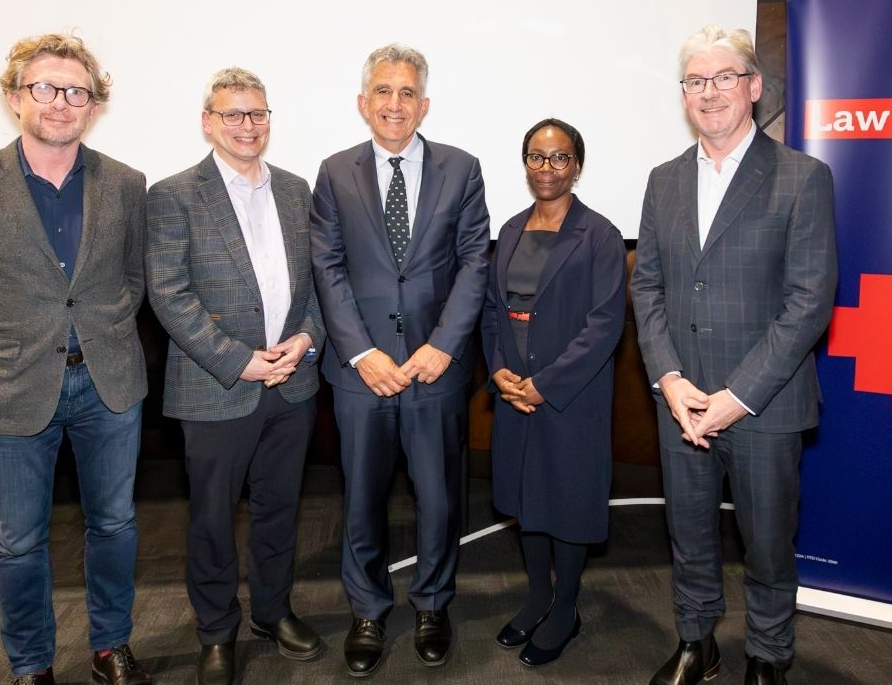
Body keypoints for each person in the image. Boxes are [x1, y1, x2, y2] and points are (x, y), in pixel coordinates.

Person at [0, 34, 152, 685]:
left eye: (76, 91)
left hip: (109, 385)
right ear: (14, 98)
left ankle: (111, 646)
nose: (61, 102)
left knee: (114, 525)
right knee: (19, 542)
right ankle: (31, 665)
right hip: (11, 391)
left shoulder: (127, 184)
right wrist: (3, 354)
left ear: (94, 105)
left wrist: (97, 333)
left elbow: (131, 282)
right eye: (45, 88)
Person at [632, 25, 838, 685]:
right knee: (688, 537)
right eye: (696, 81)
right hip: (682, 403)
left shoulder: (803, 178)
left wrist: (737, 396)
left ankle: (770, 656)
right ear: (683, 95)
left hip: (763, 405)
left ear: (753, 87)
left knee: (769, 545)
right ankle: (698, 642)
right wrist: (668, 378)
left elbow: (809, 302)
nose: (709, 92)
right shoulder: (663, 180)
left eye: (724, 77)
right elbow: (649, 285)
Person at [311, 43, 490, 677]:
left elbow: (475, 262)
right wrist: (360, 352)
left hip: (435, 370)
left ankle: (433, 604)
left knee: (439, 500)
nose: (395, 103)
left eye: (407, 92)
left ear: (425, 104)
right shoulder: (334, 172)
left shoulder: (462, 169)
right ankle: (367, 610)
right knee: (361, 498)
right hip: (361, 374)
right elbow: (327, 267)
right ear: (364, 103)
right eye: (383, 92)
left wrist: (442, 345)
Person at [145, 67, 326, 685]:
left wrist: (305, 341)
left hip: (293, 383)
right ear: (208, 121)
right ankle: (216, 630)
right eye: (233, 115)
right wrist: (239, 360)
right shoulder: (173, 196)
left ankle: (273, 612)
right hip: (215, 386)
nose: (247, 126)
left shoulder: (299, 190)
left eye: (258, 114)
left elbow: (319, 284)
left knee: (280, 510)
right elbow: (169, 295)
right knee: (212, 519)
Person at [481, 118, 626, 667]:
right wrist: (497, 370)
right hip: (514, 392)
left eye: (559, 158)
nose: (547, 168)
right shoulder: (512, 229)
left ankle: (565, 607)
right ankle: (537, 596)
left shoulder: (601, 235)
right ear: (525, 165)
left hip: (570, 397)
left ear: (577, 167)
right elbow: (494, 312)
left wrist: (545, 385)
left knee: (566, 502)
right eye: (537, 158)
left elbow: (604, 324)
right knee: (526, 500)